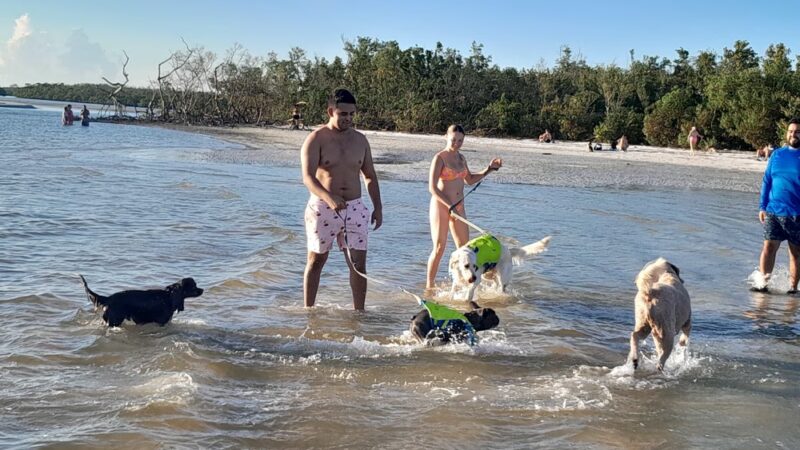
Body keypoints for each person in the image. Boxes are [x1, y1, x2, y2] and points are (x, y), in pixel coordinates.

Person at [301, 89, 382, 310]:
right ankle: (309, 311)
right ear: (330, 111)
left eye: (351, 114)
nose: (348, 118)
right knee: (317, 260)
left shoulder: (360, 140)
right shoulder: (315, 139)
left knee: (358, 265)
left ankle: (360, 313)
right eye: (343, 114)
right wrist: (329, 197)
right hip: (322, 207)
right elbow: (308, 178)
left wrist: (378, 207)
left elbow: (370, 176)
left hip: (355, 208)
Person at [426, 124, 503, 290]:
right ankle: (429, 286)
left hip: (459, 207)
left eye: (460, 140)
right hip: (441, 206)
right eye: (454, 140)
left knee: (465, 249)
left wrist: (489, 169)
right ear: (446, 137)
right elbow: (432, 187)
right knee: (439, 248)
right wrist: (449, 206)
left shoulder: (461, 159)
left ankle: (462, 284)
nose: (457, 143)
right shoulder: (439, 158)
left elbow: (469, 179)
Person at [753, 118, 800, 294]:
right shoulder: (777, 154)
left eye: (797, 132)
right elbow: (767, 181)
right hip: (773, 211)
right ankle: (763, 284)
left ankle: (793, 289)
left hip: (797, 214)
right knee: (768, 248)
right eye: (790, 131)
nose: (793, 134)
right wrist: (762, 206)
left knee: (795, 253)